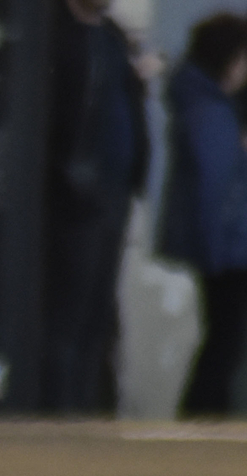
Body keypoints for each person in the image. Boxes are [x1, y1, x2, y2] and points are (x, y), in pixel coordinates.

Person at [41, 0, 150, 414]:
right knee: (66, 316)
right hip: (75, 196)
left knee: (99, 316)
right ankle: (59, 412)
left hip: (115, 192)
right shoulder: (58, 37)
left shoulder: (111, 38)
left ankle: (88, 411)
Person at [158, 12, 247, 416]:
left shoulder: (206, 105)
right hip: (229, 249)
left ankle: (204, 413)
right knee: (225, 341)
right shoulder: (211, 112)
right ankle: (203, 416)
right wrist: (217, 251)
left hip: (225, 244)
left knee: (223, 339)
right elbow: (216, 184)